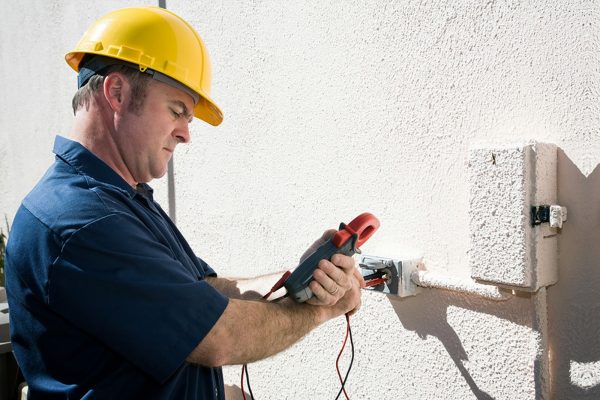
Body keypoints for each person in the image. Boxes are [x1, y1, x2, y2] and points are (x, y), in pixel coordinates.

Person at [5, 6, 363, 400]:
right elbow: (218, 337)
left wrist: (298, 278)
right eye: (177, 111)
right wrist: (321, 310)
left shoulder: (121, 198)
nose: (186, 134)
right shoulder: (78, 221)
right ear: (118, 93)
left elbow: (202, 290)